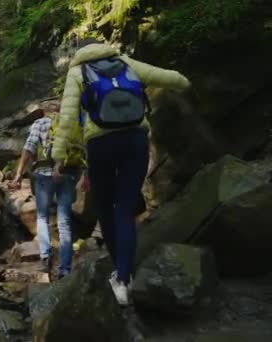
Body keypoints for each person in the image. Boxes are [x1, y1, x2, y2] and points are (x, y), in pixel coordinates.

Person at [52, 43, 190, 305]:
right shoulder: (126, 63)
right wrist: (184, 81)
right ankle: (124, 275)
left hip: (100, 144)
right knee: (125, 209)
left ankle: (121, 276)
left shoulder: (78, 71)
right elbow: (170, 78)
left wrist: (59, 155)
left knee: (105, 209)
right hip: (135, 139)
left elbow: (68, 117)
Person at [10, 103, 80, 279]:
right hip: (68, 174)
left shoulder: (40, 123)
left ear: (45, 112)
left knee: (42, 217)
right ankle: (65, 268)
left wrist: (18, 174)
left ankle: (46, 258)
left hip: (44, 174)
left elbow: (29, 148)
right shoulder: (70, 123)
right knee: (64, 220)